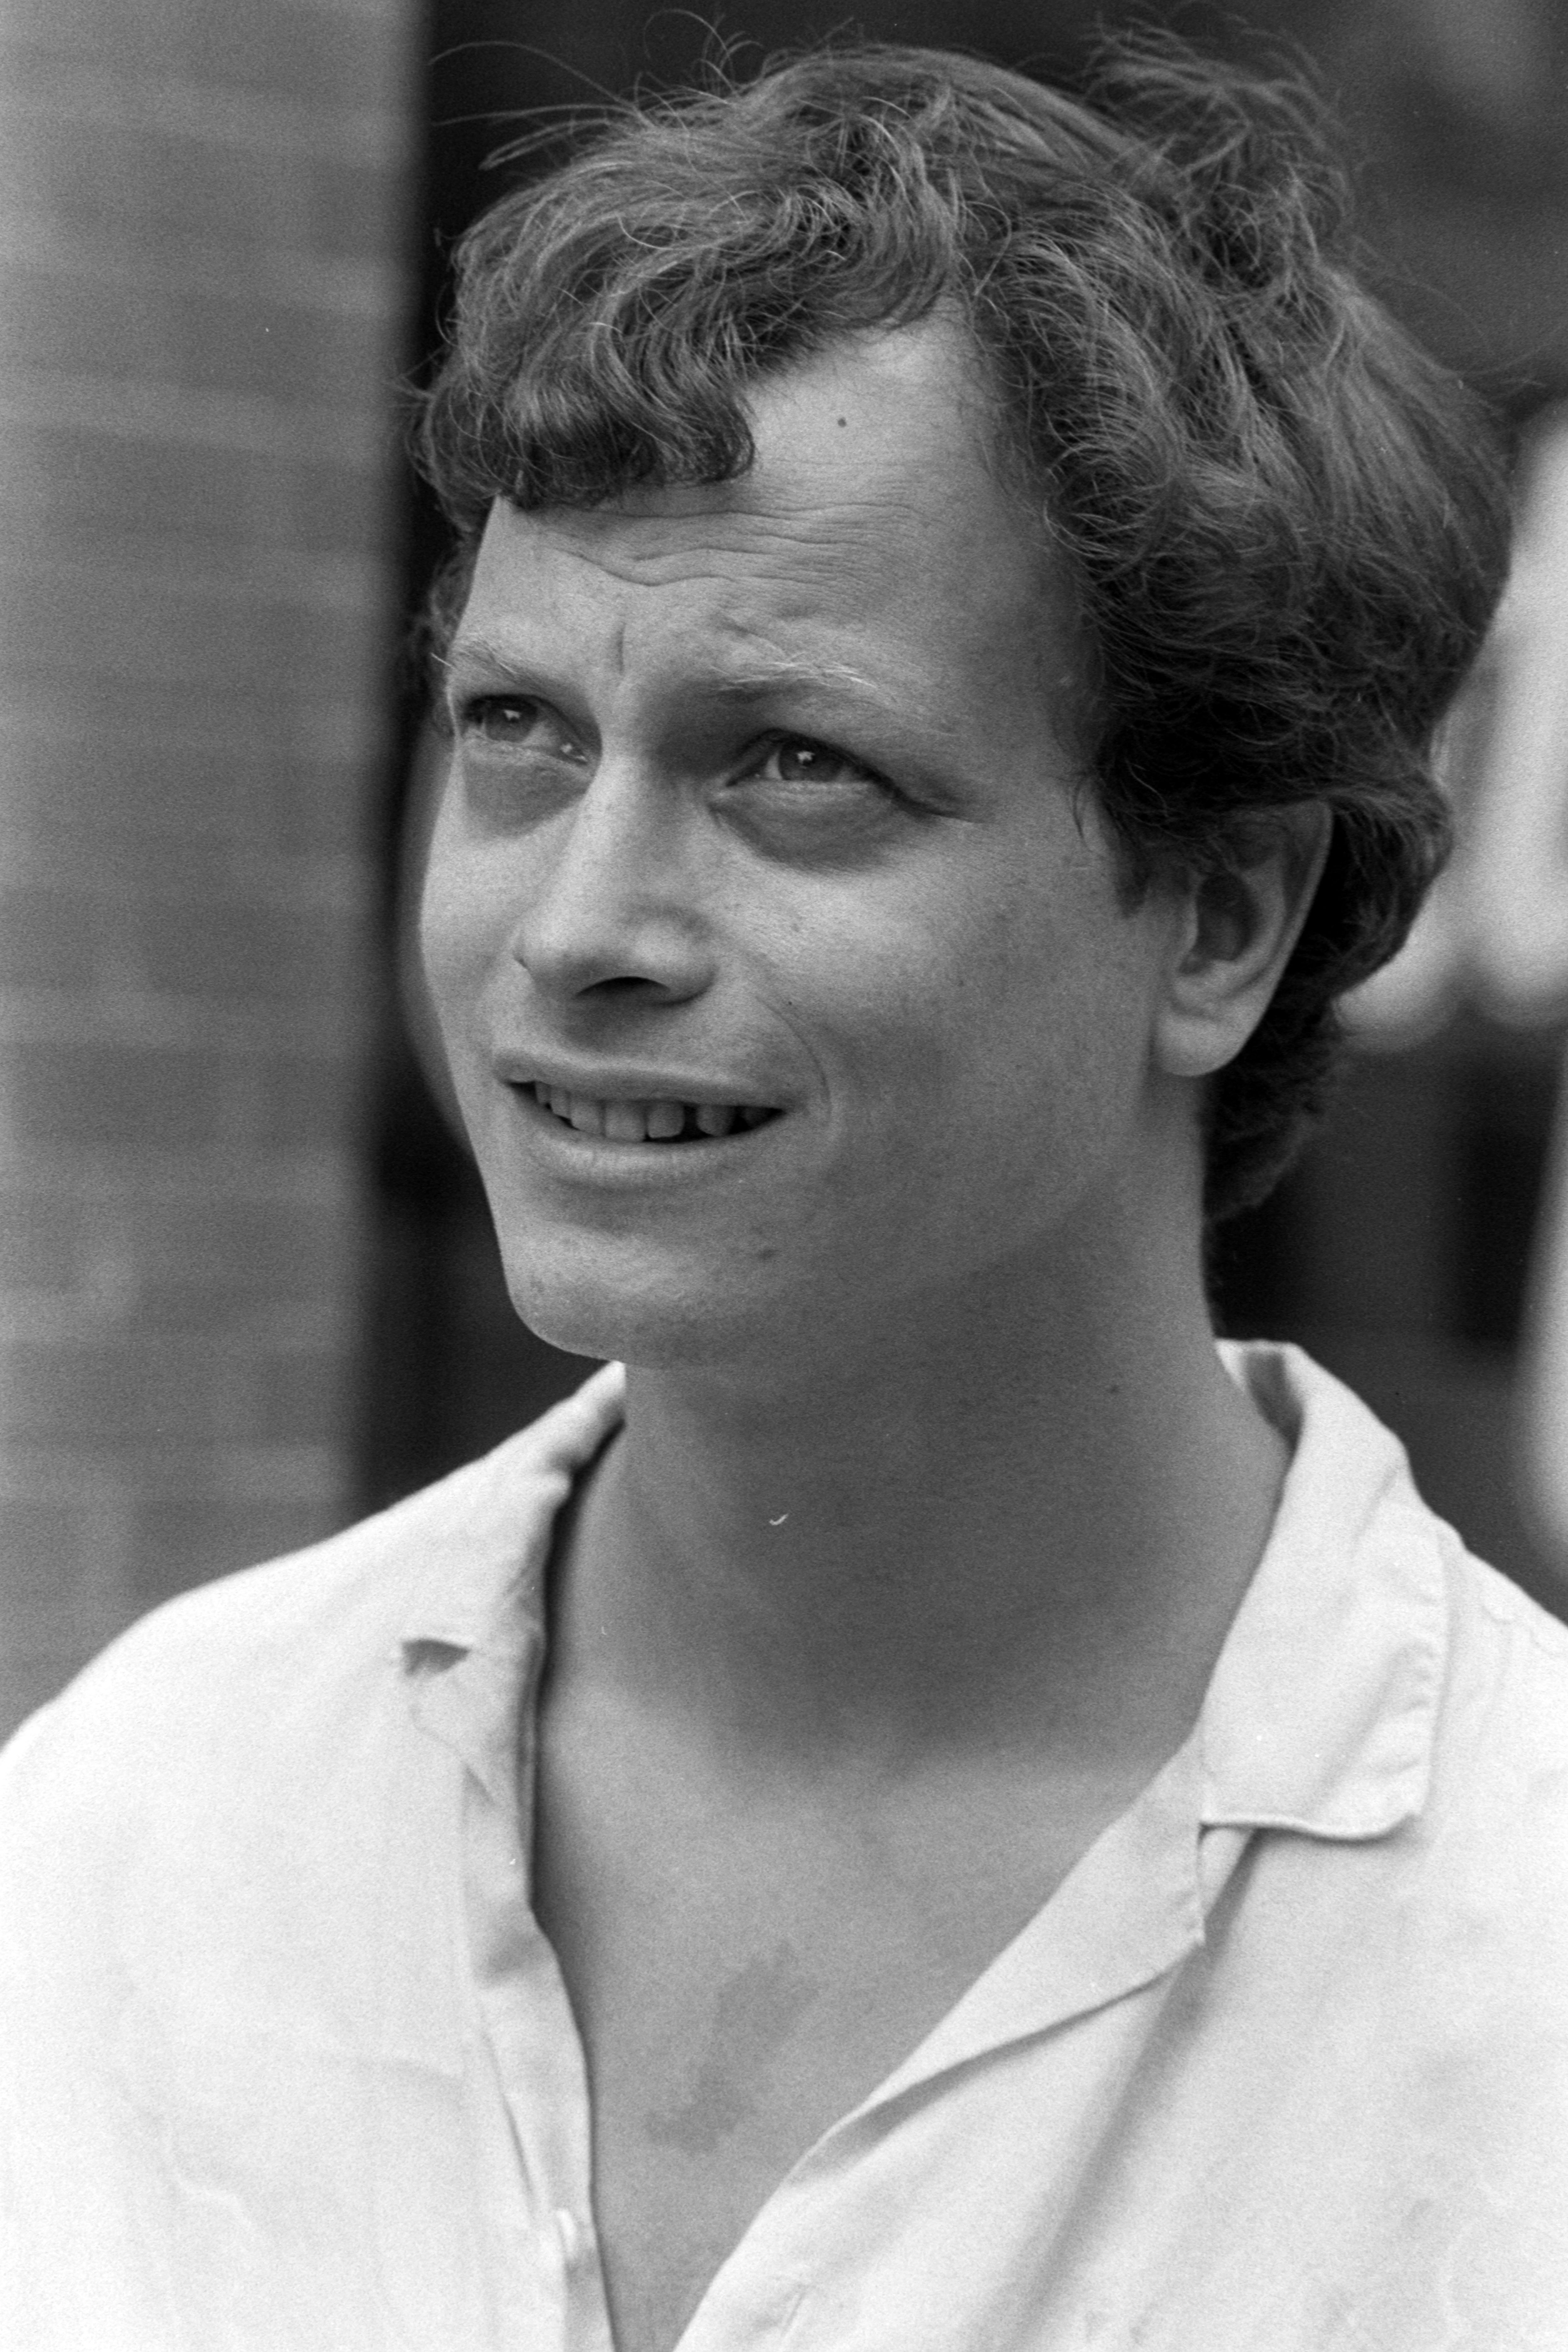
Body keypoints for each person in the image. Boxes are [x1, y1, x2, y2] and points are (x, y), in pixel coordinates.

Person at [3, 37, 1562, 2352]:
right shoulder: (146, 1815)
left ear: (1224, 916)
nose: (574, 924)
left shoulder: (1514, 1966)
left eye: (795, 766)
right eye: (519, 733)